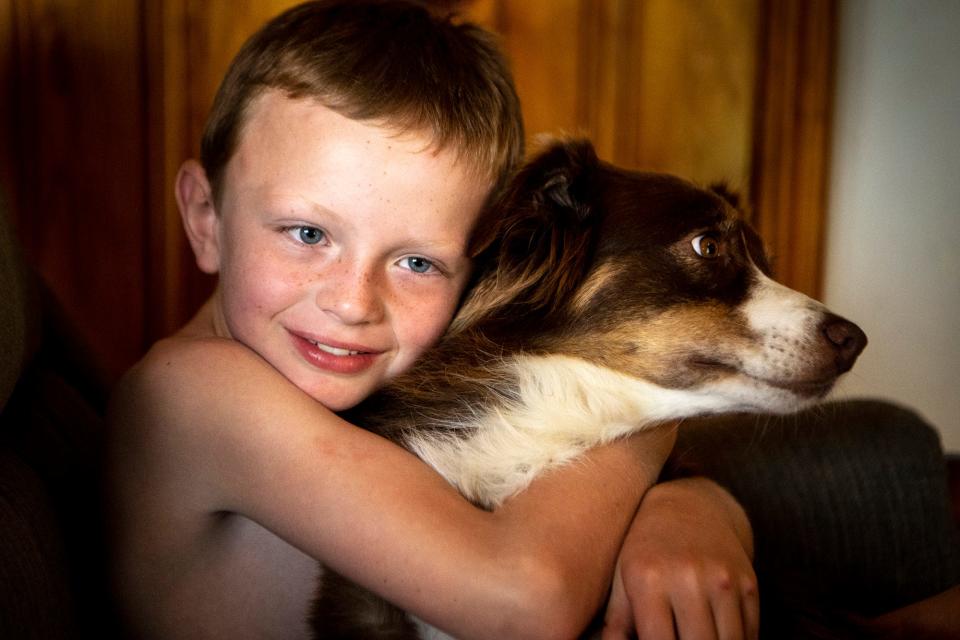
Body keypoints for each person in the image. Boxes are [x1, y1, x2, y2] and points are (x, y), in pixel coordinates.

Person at [105, 2, 757, 638]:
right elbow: (526, 600)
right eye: (308, 233)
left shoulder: (362, 359)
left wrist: (692, 511)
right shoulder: (192, 393)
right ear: (205, 218)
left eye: (417, 261)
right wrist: (651, 409)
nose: (355, 302)